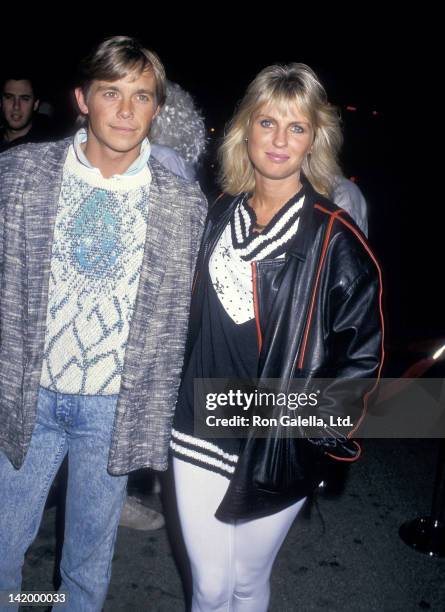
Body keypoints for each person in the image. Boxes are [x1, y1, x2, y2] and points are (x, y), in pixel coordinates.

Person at [0, 36, 207, 610]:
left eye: (140, 96)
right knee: (2, 550)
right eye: (110, 92)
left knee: (87, 566)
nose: (124, 109)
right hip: (26, 395)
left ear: (156, 109)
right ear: (82, 98)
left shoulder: (180, 204)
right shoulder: (19, 175)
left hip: (111, 408)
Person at [170, 63, 384, 611]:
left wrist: (310, 438)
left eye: (296, 127)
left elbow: (360, 359)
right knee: (211, 584)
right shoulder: (220, 212)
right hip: (201, 419)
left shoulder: (335, 238)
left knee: (245, 578)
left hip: (277, 440)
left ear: (316, 138)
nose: (279, 140)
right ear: (246, 130)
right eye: (267, 123)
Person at [119, 79, 207, 531]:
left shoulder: (130, 157)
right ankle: (138, 483)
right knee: (149, 395)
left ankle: (135, 481)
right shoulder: (172, 161)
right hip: (158, 298)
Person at [0, 74, 51, 151]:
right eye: (9, 97)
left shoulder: (49, 147)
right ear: (0, 102)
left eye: (24, 99)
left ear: (35, 104)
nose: (16, 106)